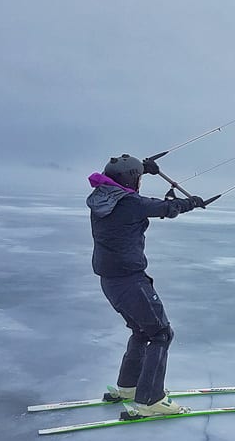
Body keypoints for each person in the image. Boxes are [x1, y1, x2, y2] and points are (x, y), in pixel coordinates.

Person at [86, 153, 205, 416]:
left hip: (110, 282)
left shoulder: (102, 198)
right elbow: (162, 207)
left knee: (141, 331)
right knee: (161, 333)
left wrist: (143, 168)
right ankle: (150, 400)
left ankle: (128, 388)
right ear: (131, 180)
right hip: (131, 281)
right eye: (137, 177)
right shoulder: (129, 203)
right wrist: (191, 203)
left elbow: (132, 198)